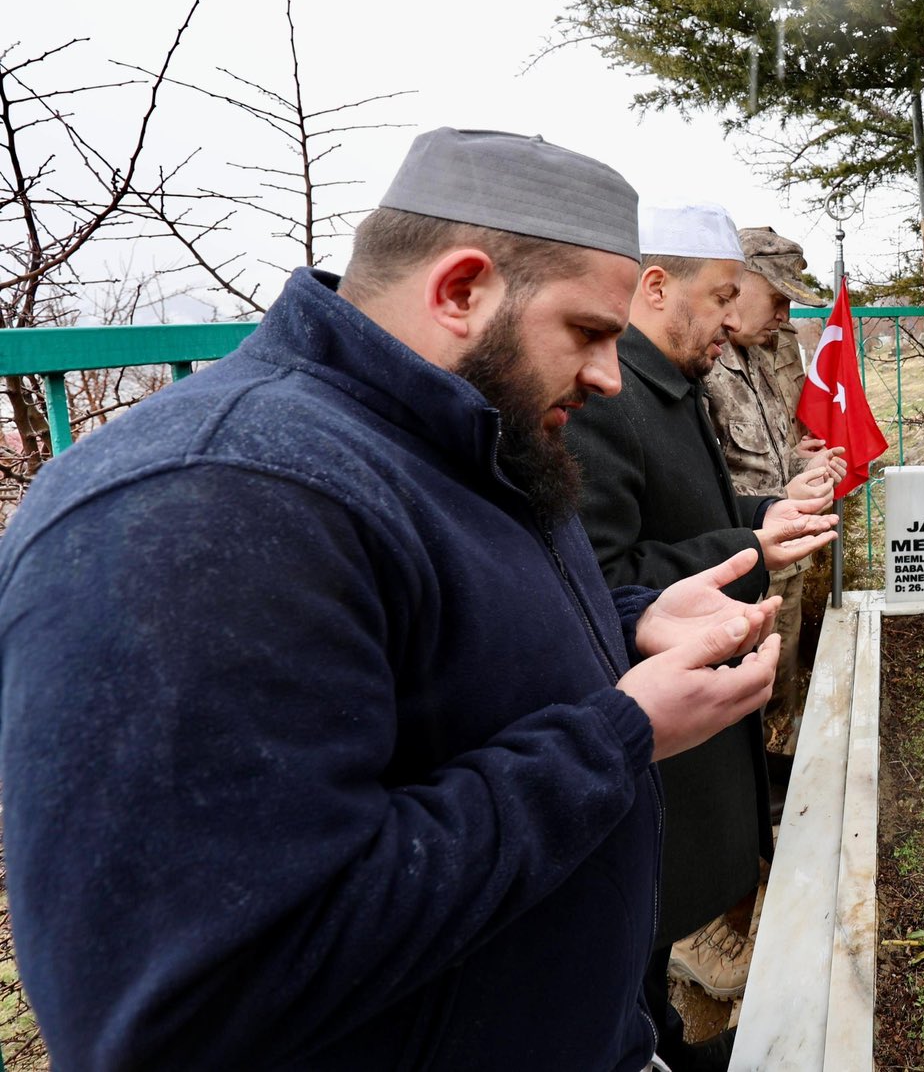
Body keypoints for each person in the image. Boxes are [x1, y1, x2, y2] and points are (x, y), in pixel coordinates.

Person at [0, 129, 784, 1071]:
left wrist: (627, 623)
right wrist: (618, 736)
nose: (611, 376)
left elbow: (447, 673)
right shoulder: (207, 503)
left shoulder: (475, 435)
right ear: (461, 290)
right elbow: (203, 997)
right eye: (588, 332)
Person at [564, 204, 837, 1061]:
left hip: (699, 720)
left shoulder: (669, 380)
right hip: (661, 743)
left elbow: (693, 513)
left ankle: (666, 1035)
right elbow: (603, 579)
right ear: (654, 287)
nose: (733, 320)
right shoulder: (611, 399)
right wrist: (747, 543)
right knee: (636, 947)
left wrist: (764, 516)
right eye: (721, 297)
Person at [703, 226, 841, 750]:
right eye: (779, 300)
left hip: (785, 553)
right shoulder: (703, 363)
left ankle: (782, 764)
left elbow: (763, 446)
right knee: (740, 687)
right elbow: (706, 475)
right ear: (739, 284)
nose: (784, 317)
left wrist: (800, 462)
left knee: (779, 674)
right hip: (737, 558)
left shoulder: (762, 354)